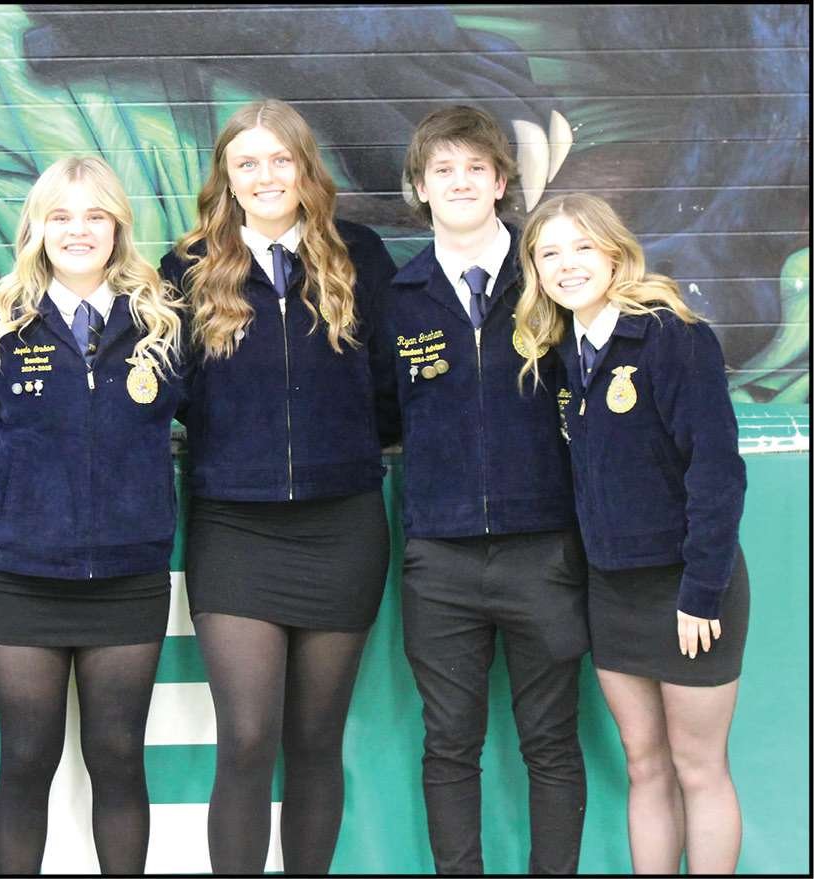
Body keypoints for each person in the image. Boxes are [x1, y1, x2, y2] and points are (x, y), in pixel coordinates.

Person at [159, 98, 396, 873]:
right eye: (247, 162)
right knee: (249, 737)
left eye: (280, 159)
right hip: (236, 530)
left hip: (343, 527)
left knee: (316, 739)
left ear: (305, 168)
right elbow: (171, 389)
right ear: (226, 177)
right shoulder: (188, 267)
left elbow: (392, 385)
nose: (266, 176)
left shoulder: (360, 255)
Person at [0, 155, 184, 874]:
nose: (78, 230)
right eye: (61, 216)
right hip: (21, 576)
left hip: (127, 577)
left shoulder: (162, 322)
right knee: (26, 758)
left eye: (95, 216)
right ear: (37, 228)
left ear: (118, 227)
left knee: (117, 757)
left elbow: (212, 421)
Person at [378, 106, 589, 874]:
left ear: (502, 182)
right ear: (420, 187)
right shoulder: (397, 295)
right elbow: (380, 411)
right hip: (441, 557)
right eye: (444, 169)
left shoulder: (550, 279)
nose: (460, 182)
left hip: (544, 551)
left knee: (550, 741)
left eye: (476, 168)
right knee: (449, 742)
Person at [516, 192, 749, 874]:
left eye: (582, 247)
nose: (567, 264)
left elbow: (717, 473)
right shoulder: (562, 353)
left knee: (698, 767)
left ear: (615, 253)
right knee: (644, 765)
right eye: (549, 253)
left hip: (688, 591)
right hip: (613, 592)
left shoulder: (673, 336)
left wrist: (702, 591)